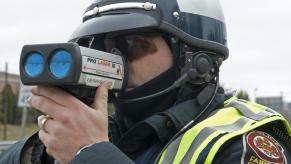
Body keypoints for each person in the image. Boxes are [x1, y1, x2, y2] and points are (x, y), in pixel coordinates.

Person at [1, 0, 291, 163]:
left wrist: (90, 154)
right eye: (102, 47)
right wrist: (38, 150)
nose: (114, 61)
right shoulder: (115, 129)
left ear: (194, 57)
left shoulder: (241, 142)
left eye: (132, 44)